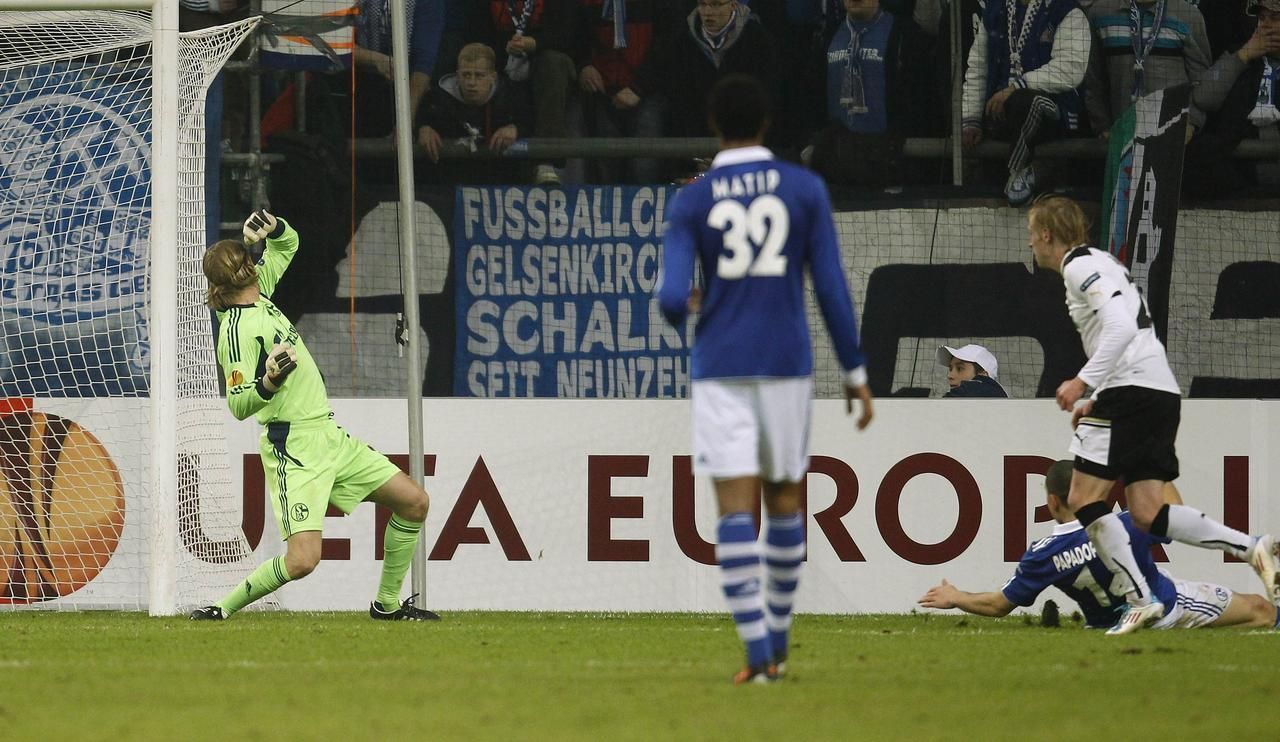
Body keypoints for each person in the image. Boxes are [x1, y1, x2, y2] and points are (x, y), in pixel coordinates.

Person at [656, 74, 875, 684]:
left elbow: (672, 295)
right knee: (784, 500)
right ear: (768, 122)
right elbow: (831, 285)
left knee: (733, 508)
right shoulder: (804, 187)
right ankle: (778, 640)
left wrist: (687, 306)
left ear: (713, 122)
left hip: (721, 365)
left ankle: (755, 653)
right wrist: (855, 370)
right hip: (785, 363)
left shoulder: (694, 199)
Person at [1026, 194, 1278, 635]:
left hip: (1132, 391)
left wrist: (1082, 383)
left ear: (1047, 234)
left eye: (1032, 234)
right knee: (1146, 511)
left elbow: (1122, 327)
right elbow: (1131, 330)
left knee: (1083, 498)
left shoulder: (1077, 267)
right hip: (1156, 390)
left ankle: (1142, 599)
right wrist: (1097, 397)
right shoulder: (1101, 261)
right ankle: (1252, 547)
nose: (1030, 244)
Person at [190, 211, 439, 622]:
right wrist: (268, 381)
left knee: (414, 502)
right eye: (250, 261)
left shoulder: (261, 293)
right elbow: (237, 405)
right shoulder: (235, 330)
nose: (258, 265)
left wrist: (275, 227)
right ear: (244, 272)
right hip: (293, 447)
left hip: (328, 435)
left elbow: (289, 244)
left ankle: (387, 605)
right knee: (303, 560)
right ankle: (221, 607)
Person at [918, 460, 1280, 630]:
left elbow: (999, 605)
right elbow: (1176, 513)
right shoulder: (1125, 524)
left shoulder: (1042, 553)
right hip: (1169, 606)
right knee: (1261, 609)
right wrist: (1146, 462)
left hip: (1107, 625)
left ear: (1053, 503)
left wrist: (956, 596)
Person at [961, 0, 1090, 205]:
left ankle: (1017, 171)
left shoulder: (1067, 10)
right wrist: (971, 119)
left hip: (1054, 117)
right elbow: (978, 67)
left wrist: (1018, 86)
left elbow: (1070, 68)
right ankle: (1031, 171)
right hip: (1001, 115)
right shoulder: (996, 11)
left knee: (1030, 102)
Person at [1185, 0, 1280, 197]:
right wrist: (1243, 55)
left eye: (1275, 17)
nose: (1265, 24)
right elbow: (1203, 97)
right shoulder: (1241, 54)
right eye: (1261, 18)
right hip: (1241, 181)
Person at [416, 43, 531, 182]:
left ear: (493, 77)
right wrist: (423, 128)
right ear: (457, 75)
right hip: (447, 180)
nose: (471, 82)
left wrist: (516, 129)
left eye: (479, 76)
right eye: (466, 74)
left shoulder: (510, 97)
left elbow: (531, 122)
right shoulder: (437, 99)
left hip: (499, 180)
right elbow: (418, 119)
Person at [936, 343, 1009, 397]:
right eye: (950, 369)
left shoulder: (985, 390)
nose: (950, 375)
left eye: (960, 368)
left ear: (983, 375)